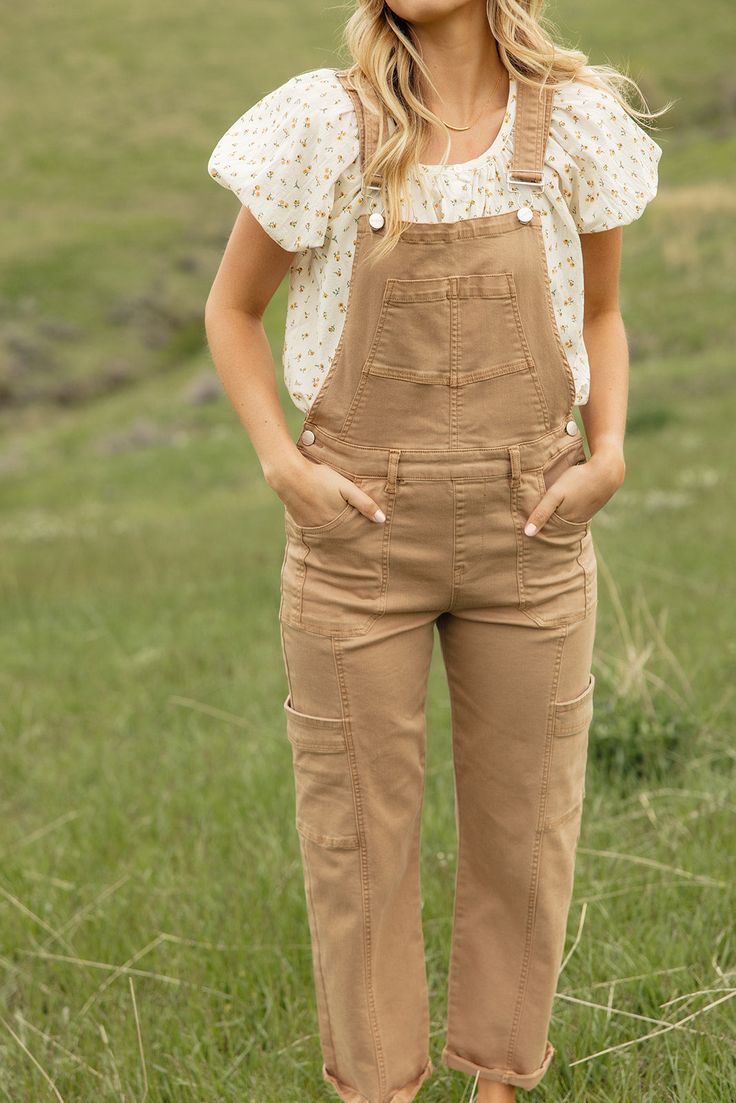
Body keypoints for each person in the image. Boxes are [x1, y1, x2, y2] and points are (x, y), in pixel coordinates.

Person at [204, 1, 662, 1100]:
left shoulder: (577, 125)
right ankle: (381, 1090)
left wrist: (607, 455)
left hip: (532, 530)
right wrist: (283, 466)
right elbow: (231, 311)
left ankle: (498, 1085)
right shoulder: (321, 123)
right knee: (357, 842)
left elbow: (601, 312)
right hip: (355, 540)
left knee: (526, 826)